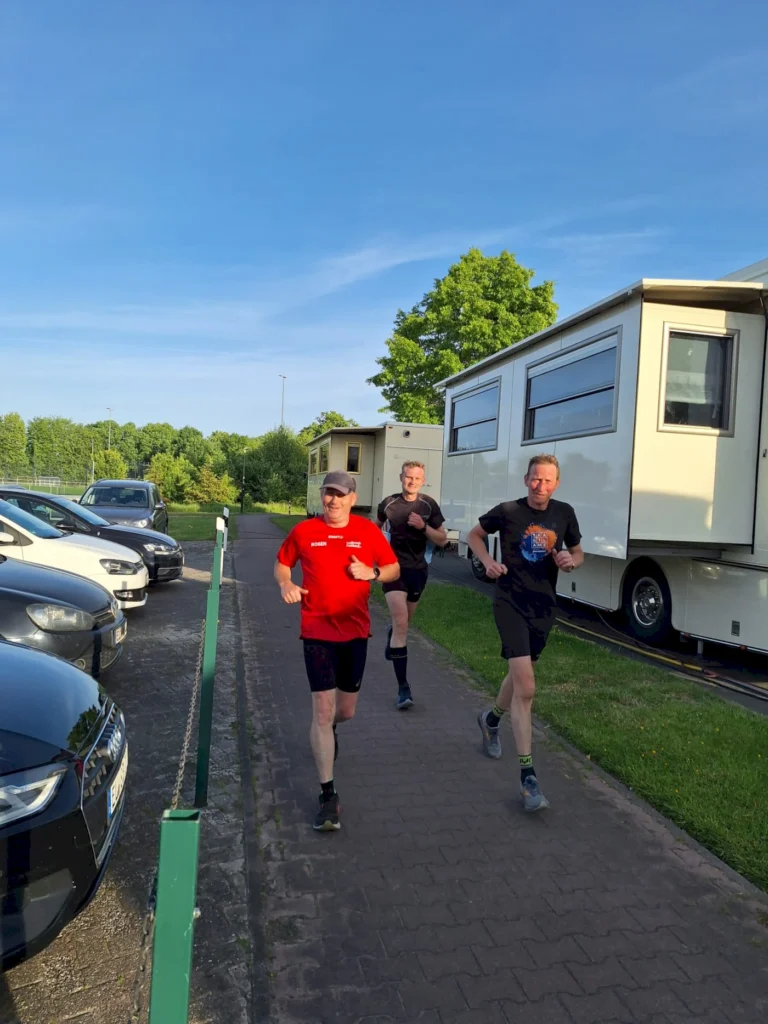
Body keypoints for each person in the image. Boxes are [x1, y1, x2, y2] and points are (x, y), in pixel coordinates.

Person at [275, 470, 400, 831]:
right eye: (328, 493)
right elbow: (282, 564)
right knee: (322, 711)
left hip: (355, 632)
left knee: (344, 712)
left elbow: (392, 569)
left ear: (352, 499)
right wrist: (286, 583)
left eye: (340, 494)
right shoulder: (304, 531)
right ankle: (328, 795)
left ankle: (330, 731)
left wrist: (372, 573)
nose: (333, 500)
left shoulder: (367, 531)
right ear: (322, 496)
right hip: (316, 631)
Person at [467, 454, 583, 811]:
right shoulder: (508, 511)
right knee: (527, 688)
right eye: (535, 478)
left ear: (556, 484)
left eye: (547, 480)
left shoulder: (564, 513)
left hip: (543, 607)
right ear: (525, 479)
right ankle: (528, 777)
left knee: (520, 676)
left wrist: (571, 561)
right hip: (510, 603)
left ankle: (490, 720)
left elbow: (577, 552)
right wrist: (488, 562)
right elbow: (474, 535)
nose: (540, 485)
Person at [377, 461, 448, 709]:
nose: (412, 482)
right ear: (401, 477)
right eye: (408, 477)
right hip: (392, 570)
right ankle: (403, 688)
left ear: (422, 480)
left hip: (417, 571)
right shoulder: (388, 504)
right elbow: (374, 531)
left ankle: (392, 633)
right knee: (401, 624)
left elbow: (442, 539)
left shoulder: (428, 505)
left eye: (417, 478)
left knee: (404, 622)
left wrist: (423, 526)